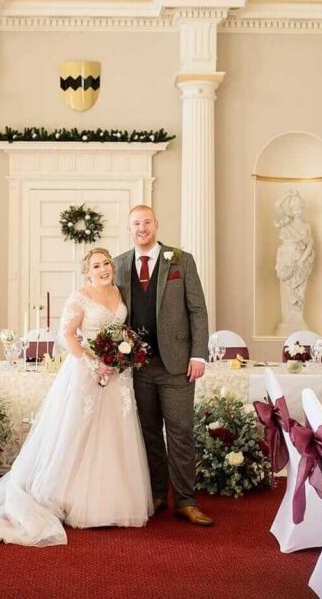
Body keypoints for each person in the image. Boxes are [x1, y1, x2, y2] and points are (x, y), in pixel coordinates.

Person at [0, 248, 152, 547]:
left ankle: (114, 501)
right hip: (86, 372)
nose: (103, 269)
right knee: (78, 433)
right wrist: (94, 363)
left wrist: (123, 354)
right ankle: (72, 500)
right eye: (96, 266)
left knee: (113, 434)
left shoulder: (120, 293)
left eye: (106, 263)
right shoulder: (79, 296)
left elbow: (122, 331)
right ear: (87, 272)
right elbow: (67, 335)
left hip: (117, 378)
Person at [113, 205, 213, 526]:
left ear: (157, 224)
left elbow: (197, 310)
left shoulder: (181, 260)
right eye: (135, 223)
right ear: (129, 228)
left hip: (177, 365)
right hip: (138, 367)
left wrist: (199, 354)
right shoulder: (119, 265)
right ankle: (156, 494)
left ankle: (186, 500)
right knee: (149, 434)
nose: (141, 228)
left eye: (146, 222)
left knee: (181, 433)